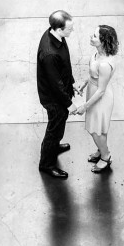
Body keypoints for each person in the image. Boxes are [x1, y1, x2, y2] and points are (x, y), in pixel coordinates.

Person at [72, 25, 119, 173]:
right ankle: (101, 150)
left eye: (94, 36)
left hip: (100, 98)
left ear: (103, 41)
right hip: (93, 92)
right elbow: (93, 75)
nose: (90, 37)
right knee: (97, 128)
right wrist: (83, 85)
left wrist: (84, 106)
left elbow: (101, 91)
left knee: (96, 131)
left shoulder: (105, 64)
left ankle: (105, 156)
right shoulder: (96, 55)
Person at [37, 10, 78, 179]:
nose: (72, 31)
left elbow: (63, 66)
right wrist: (70, 104)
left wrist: (72, 83)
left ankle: (55, 146)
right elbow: (55, 85)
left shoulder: (56, 36)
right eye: (69, 29)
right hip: (54, 99)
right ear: (59, 29)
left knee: (59, 125)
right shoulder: (50, 53)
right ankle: (46, 164)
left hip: (60, 92)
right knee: (54, 129)